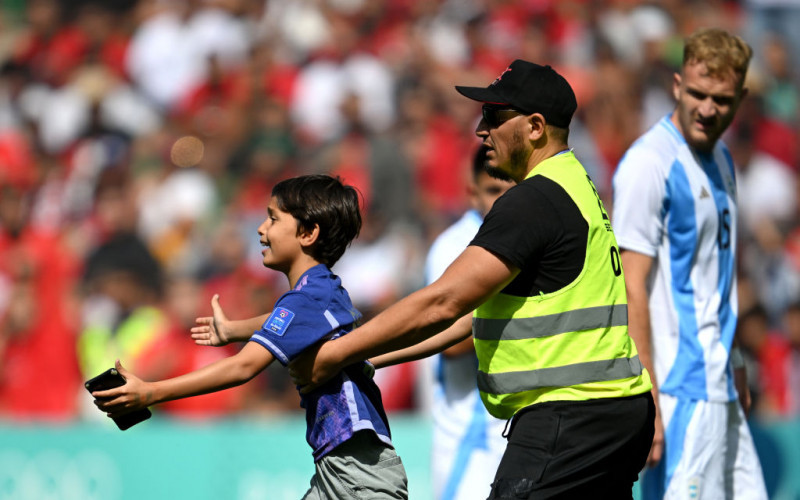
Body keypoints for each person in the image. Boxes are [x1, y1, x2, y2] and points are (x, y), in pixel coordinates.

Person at [290, 60, 655, 499]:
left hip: (569, 416)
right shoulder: (577, 184)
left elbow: (444, 302)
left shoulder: (532, 201)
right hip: (613, 413)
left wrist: (335, 354)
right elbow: (470, 319)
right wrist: (366, 358)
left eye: (494, 117)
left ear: (535, 126)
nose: (481, 130)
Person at [90, 175, 409, 500]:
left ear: (308, 233)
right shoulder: (319, 292)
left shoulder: (308, 298)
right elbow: (282, 322)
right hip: (340, 469)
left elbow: (242, 367)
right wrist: (234, 329)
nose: (261, 228)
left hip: (358, 472)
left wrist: (151, 392)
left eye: (273, 218)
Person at [611, 28, 768, 500]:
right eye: (697, 93)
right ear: (678, 85)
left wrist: (737, 358)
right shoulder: (649, 164)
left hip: (720, 381)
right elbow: (630, 286)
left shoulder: (721, 159)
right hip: (679, 389)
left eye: (721, 99)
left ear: (739, 97)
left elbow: (716, 273)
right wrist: (647, 397)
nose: (707, 108)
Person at [374, 145, 513, 500]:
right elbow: (450, 344)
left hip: (520, 427)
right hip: (471, 434)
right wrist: (515, 301)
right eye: (492, 190)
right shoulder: (453, 247)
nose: (501, 201)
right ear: (472, 192)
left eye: (509, 189)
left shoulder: (529, 237)